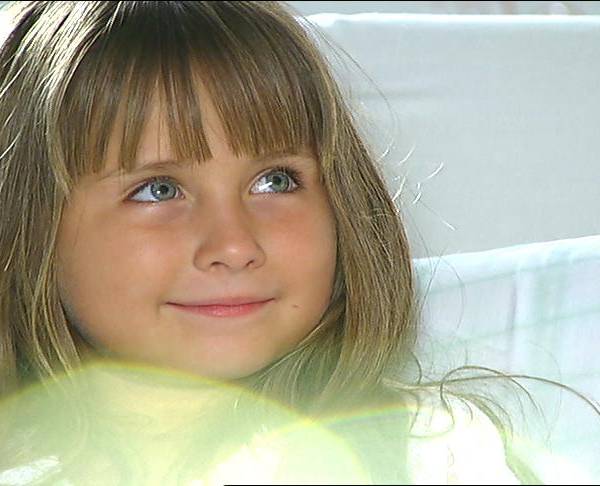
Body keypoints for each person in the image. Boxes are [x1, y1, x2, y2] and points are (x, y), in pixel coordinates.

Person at [0, 1, 597, 484]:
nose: (234, 245)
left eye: (275, 181)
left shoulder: (433, 455)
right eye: (158, 190)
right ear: (27, 225)